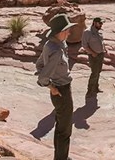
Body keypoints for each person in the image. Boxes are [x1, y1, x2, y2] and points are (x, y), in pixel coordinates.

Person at [36, 14, 78, 160]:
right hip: (62, 91)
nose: (69, 32)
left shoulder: (52, 44)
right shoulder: (57, 51)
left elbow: (39, 64)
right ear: (59, 31)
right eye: (67, 30)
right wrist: (51, 87)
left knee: (61, 126)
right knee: (65, 130)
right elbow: (42, 78)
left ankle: (60, 157)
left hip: (60, 89)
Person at [81, 17, 106, 98]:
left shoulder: (99, 31)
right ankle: (89, 91)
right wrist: (93, 53)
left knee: (98, 72)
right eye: (100, 23)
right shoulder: (87, 32)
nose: (101, 25)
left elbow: (101, 41)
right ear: (94, 23)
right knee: (94, 73)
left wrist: (104, 49)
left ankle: (95, 88)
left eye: (102, 23)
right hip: (93, 56)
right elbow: (84, 45)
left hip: (101, 54)